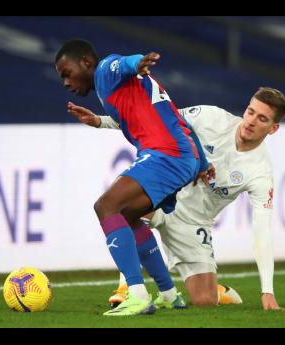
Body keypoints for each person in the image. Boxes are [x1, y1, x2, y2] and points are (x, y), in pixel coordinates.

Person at [68, 87, 285, 310]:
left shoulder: (261, 172)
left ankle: (216, 291)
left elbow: (262, 231)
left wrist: (267, 291)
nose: (251, 121)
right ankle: (128, 287)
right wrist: (100, 121)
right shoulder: (210, 118)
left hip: (194, 224)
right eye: (250, 112)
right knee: (126, 210)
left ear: (273, 128)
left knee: (205, 302)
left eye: (262, 119)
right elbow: (156, 118)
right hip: (164, 196)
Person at [55, 39, 211, 316]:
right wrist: (201, 161)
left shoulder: (104, 70)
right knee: (127, 217)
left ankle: (137, 295)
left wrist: (138, 61)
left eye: (67, 73)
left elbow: (122, 63)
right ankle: (169, 294)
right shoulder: (121, 89)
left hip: (167, 154)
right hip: (182, 154)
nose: (66, 82)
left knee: (106, 206)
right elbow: (176, 119)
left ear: (86, 63)